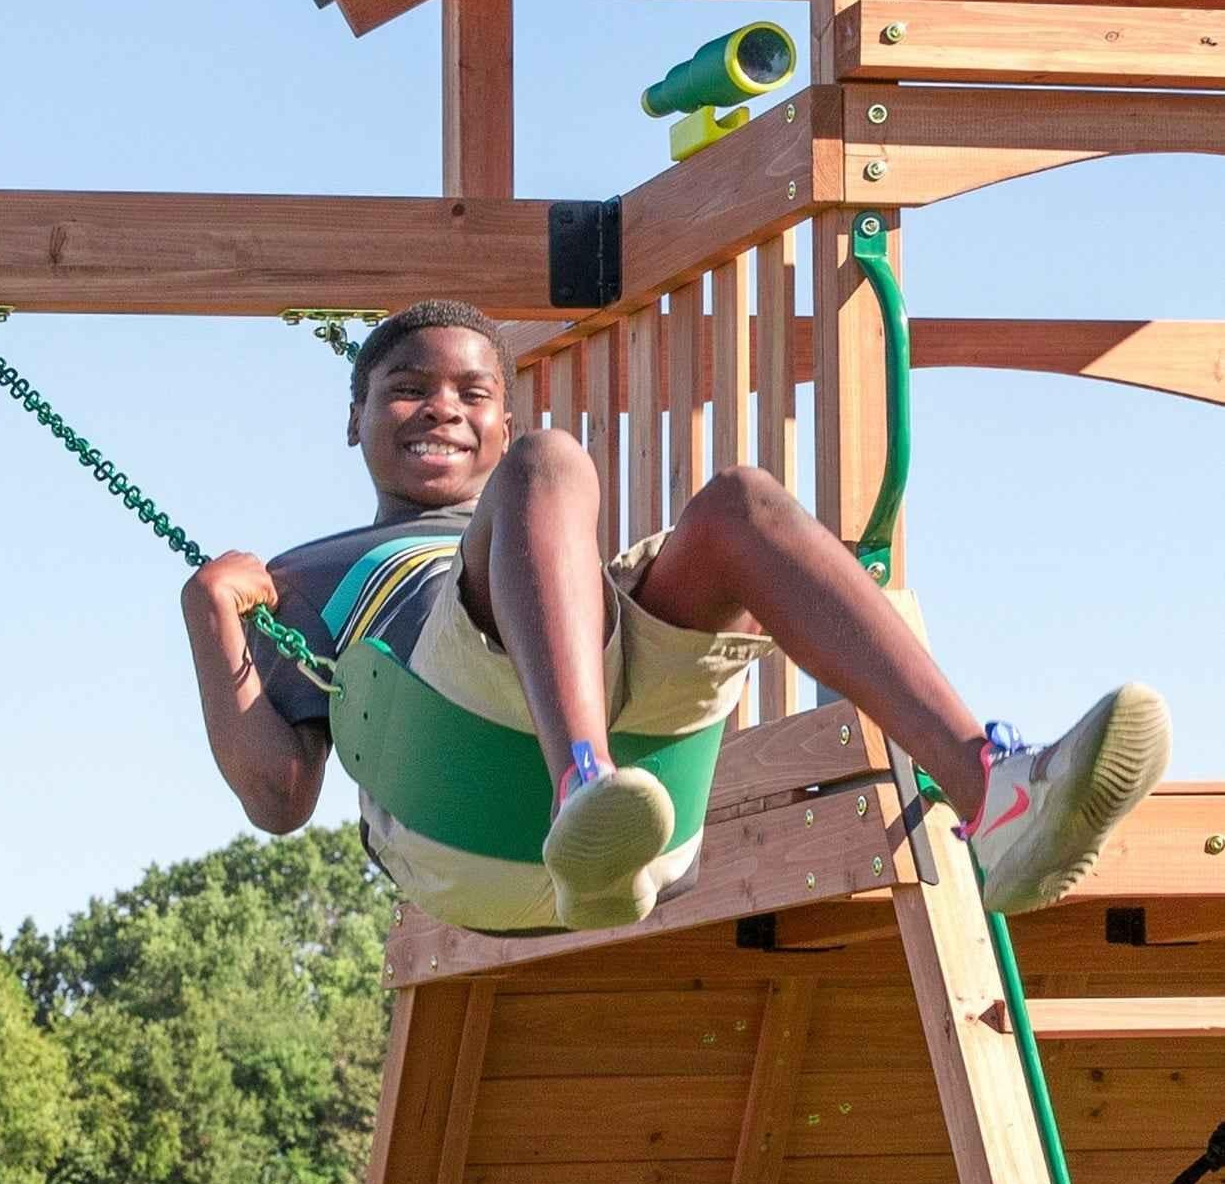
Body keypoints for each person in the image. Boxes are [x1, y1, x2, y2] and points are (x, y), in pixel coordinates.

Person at [183, 300, 1171, 934]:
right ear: (352, 419)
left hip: (618, 751)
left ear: (498, 419)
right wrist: (212, 609)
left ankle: (993, 796)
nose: (440, 407)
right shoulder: (302, 575)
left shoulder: (526, 517)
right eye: (406, 390)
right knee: (558, 467)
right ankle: (580, 789)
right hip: (453, 779)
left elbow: (542, 508)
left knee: (737, 502)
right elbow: (277, 797)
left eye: (471, 392)